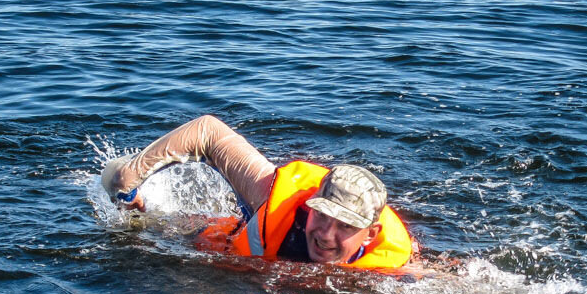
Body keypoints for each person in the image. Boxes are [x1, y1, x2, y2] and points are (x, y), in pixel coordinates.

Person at [101, 115, 415, 269]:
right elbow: (208, 131)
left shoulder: (393, 267)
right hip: (223, 239)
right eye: (321, 214)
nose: (325, 235)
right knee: (122, 185)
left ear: (371, 234)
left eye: (345, 226)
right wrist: (128, 184)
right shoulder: (272, 195)